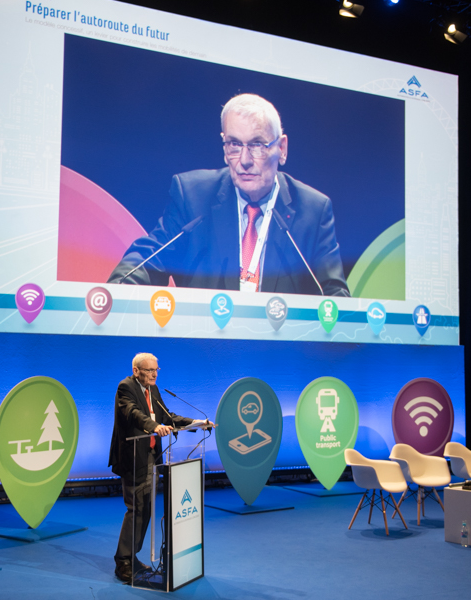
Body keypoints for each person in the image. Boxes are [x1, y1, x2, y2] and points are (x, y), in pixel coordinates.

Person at [107, 93, 350, 296]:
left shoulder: (313, 210)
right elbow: (149, 259)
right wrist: (118, 290)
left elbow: (334, 295)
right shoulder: (193, 196)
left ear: (282, 149)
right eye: (234, 145)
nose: (244, 161)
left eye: (256, 145)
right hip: (206, 348)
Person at [107, 353, 212, 582]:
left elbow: (167, 416)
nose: (154, 374)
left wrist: (196, 423)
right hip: (133, 458)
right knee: (135, 509)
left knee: (145, 510)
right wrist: (155, 426)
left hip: (153, 457)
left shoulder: (153, 389)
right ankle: (122, 562)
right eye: (149, 370)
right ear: (136, 371)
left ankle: (132, 557)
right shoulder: (125, 387)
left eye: (156, 370)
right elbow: (134, 415)